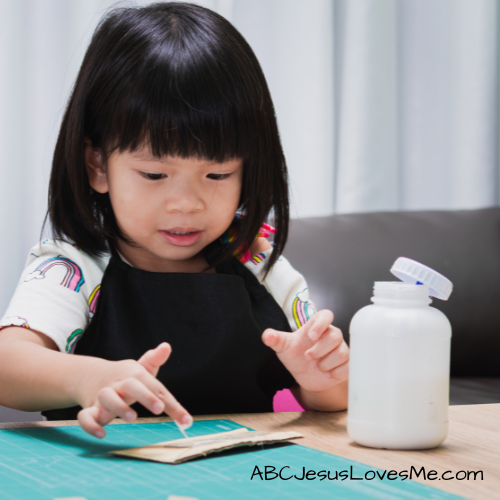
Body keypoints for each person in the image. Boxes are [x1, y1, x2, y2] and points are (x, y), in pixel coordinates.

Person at [0, 2, 349, 439]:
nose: (186, 203)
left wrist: (322, 377)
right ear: (98, 165)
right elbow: (7, 367)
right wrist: (86, 378)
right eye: (154, 174)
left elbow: (335, 399)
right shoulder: (77, 268)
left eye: (217, 174)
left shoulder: (262, 266)